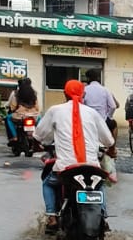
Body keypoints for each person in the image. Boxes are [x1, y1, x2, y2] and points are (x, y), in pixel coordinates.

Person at [34, 81, 114, 232]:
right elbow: (109, 141)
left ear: (64, 94)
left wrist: (36, 145)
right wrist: (111, 150)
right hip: (91, 167)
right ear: (83, 94)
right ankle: (103, 217)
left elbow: (39, 135)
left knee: (48, 183)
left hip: (66, 168)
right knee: (99, 184)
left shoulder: (55, 110)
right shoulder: (92, 113)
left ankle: (52, 217)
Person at [83, 69, 119, 153]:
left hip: (87, 120)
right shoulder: (105, 90)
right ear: (99, 78)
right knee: (114, 125)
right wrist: (108, 117)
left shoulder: (85, 90)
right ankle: (112, 149)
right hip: (103, 120)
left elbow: (81, 104)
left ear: (88, 78)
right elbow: (113, 106)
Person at [5, 76, 39, 141]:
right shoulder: (34, 93)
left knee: (8, 118)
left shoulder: (16, 93)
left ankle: (14, 136)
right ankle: (38, 137)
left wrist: (14, 110)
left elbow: (13, 107)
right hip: (33, 115)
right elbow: (37, 107)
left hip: (20, 116)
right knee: (40, 119)